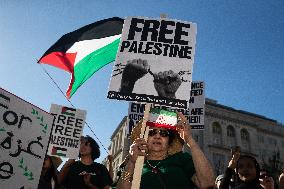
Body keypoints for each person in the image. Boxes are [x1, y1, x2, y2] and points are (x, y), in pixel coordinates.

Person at [116, 111, 215, 189]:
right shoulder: (131, 165)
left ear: (169, 140)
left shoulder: (182, 159)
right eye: (152, 132)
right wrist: (132, 163)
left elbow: (207, 184)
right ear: (144, 138)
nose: (157, 136)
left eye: (163, 133)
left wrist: (190, 140)